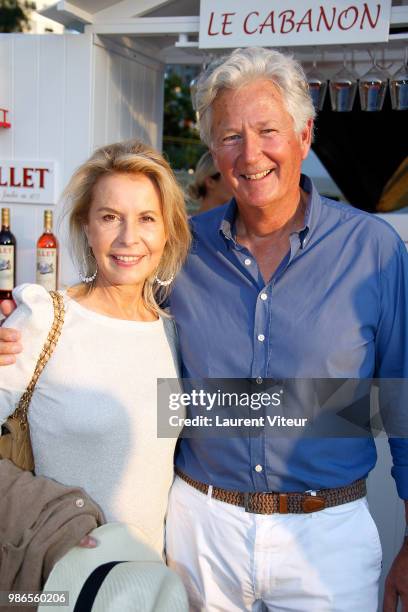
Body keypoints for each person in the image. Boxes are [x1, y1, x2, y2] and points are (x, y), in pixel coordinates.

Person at [1, 47, 408, 611]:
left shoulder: (374, 250)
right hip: (199, 531)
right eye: (230, 136)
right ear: (213, 150)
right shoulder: (182, 251)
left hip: (325, 538)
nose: (251, 153)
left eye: (268, 130)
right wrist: (25, 325)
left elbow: (401, 402)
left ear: (305, 134)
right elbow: (114, 321)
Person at [0, 139, 190, 557]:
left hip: (143, 586)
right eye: (110, 217)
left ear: (167, 230)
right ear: (87, 226)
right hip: (54, 584)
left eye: (146, 219)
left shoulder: (174, 335)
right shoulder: (44, 319)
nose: (128, 238)